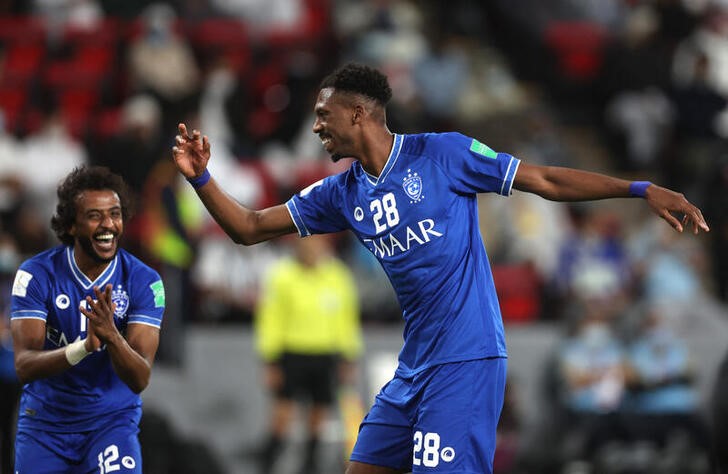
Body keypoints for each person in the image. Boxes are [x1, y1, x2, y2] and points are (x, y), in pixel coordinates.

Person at [171, 62, 709, 474]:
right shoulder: (340, 193)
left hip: (467, 359)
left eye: (322, 115)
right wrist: (201, 178)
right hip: (413, 369)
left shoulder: (443, 155)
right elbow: (248, 228)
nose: (315, 128)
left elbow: (543, 181)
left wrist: (639, 188)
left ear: (358, 114)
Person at [10, 165, 166, 473]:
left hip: (111, 423)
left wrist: (111, 336)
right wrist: (83, 348)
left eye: (115, 214)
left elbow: (140, 378)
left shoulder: (144, 281)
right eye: (95, 215)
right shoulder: (36, 274)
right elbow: (24, 366)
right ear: (71, 226)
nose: (108, 224)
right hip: (46, 426)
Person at [254, 233, 363, 474]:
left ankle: (310, 465)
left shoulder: (337, 276)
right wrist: (270, 359)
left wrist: (349, 356)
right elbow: (271, 319)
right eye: (306, 244)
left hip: (325, 355)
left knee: (318, 415)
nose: (311, 250)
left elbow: (346, 320)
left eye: (316, 244)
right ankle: (267, 462)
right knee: (283, 415)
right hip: (291, 353)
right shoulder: (282, 276)